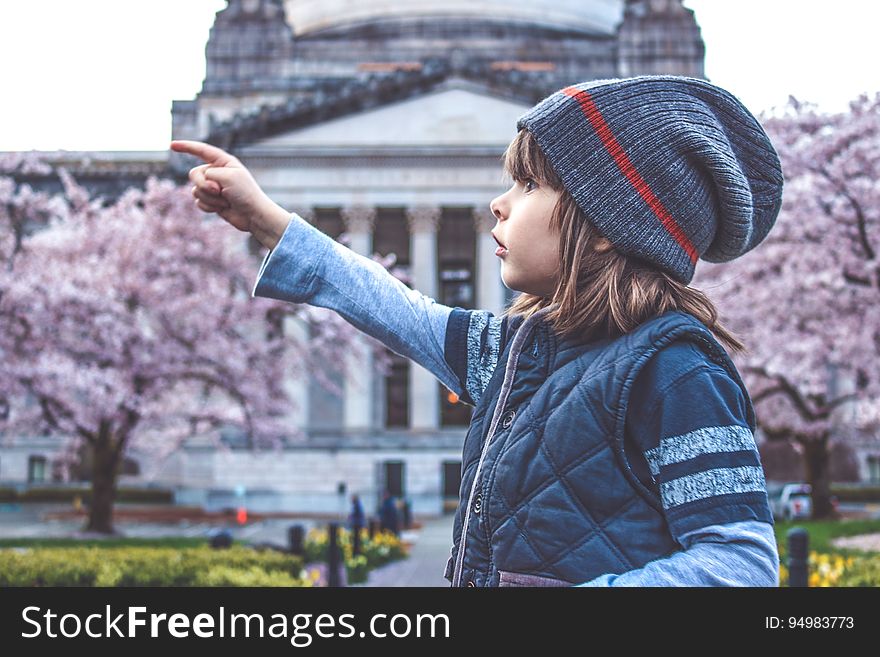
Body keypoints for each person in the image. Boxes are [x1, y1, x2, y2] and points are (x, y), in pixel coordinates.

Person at [171, 74, 783, 587]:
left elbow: (740, 562)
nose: (499, 203)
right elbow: (398, 309)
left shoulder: (676, 369)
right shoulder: (519, 351)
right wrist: (271, 222)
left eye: (530, 183)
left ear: (604, 224)